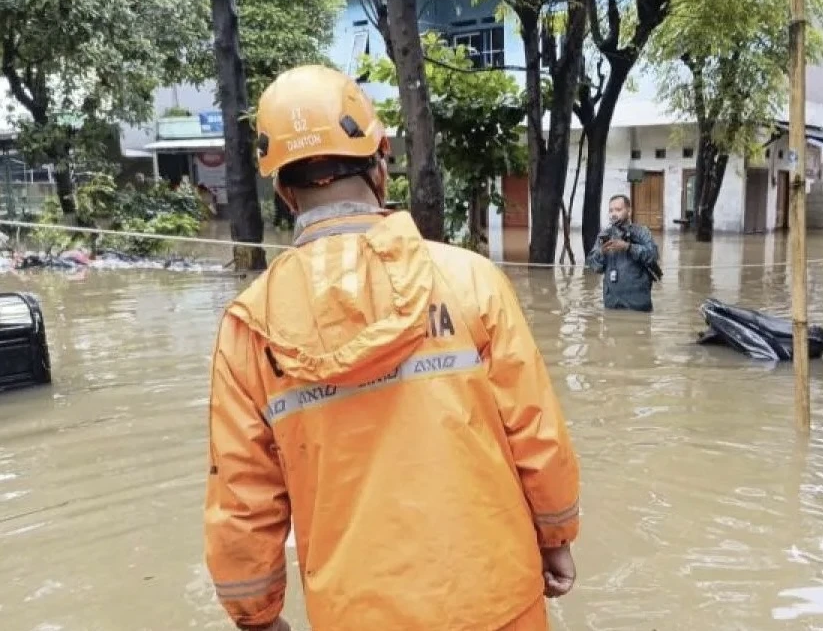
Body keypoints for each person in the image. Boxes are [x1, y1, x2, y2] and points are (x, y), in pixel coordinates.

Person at [203, 64, 581, 631]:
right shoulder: (470, 281)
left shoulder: (250, 328)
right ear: (382, 160)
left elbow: (242, 497)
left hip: (357, 614)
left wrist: (257, 615)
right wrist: (555, 539)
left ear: (283, 189)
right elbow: (536, 434)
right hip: (497, 601)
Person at [585, 194, 660, 312]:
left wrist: (628, 247)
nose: (614, 213)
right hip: (612, 303)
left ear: (629, 211)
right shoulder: (604, 235)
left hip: (637, 303)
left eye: (618, 210)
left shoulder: (641, 232)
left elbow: (653, 255)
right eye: (611, 210)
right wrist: (602, 252)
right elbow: (594, 267)